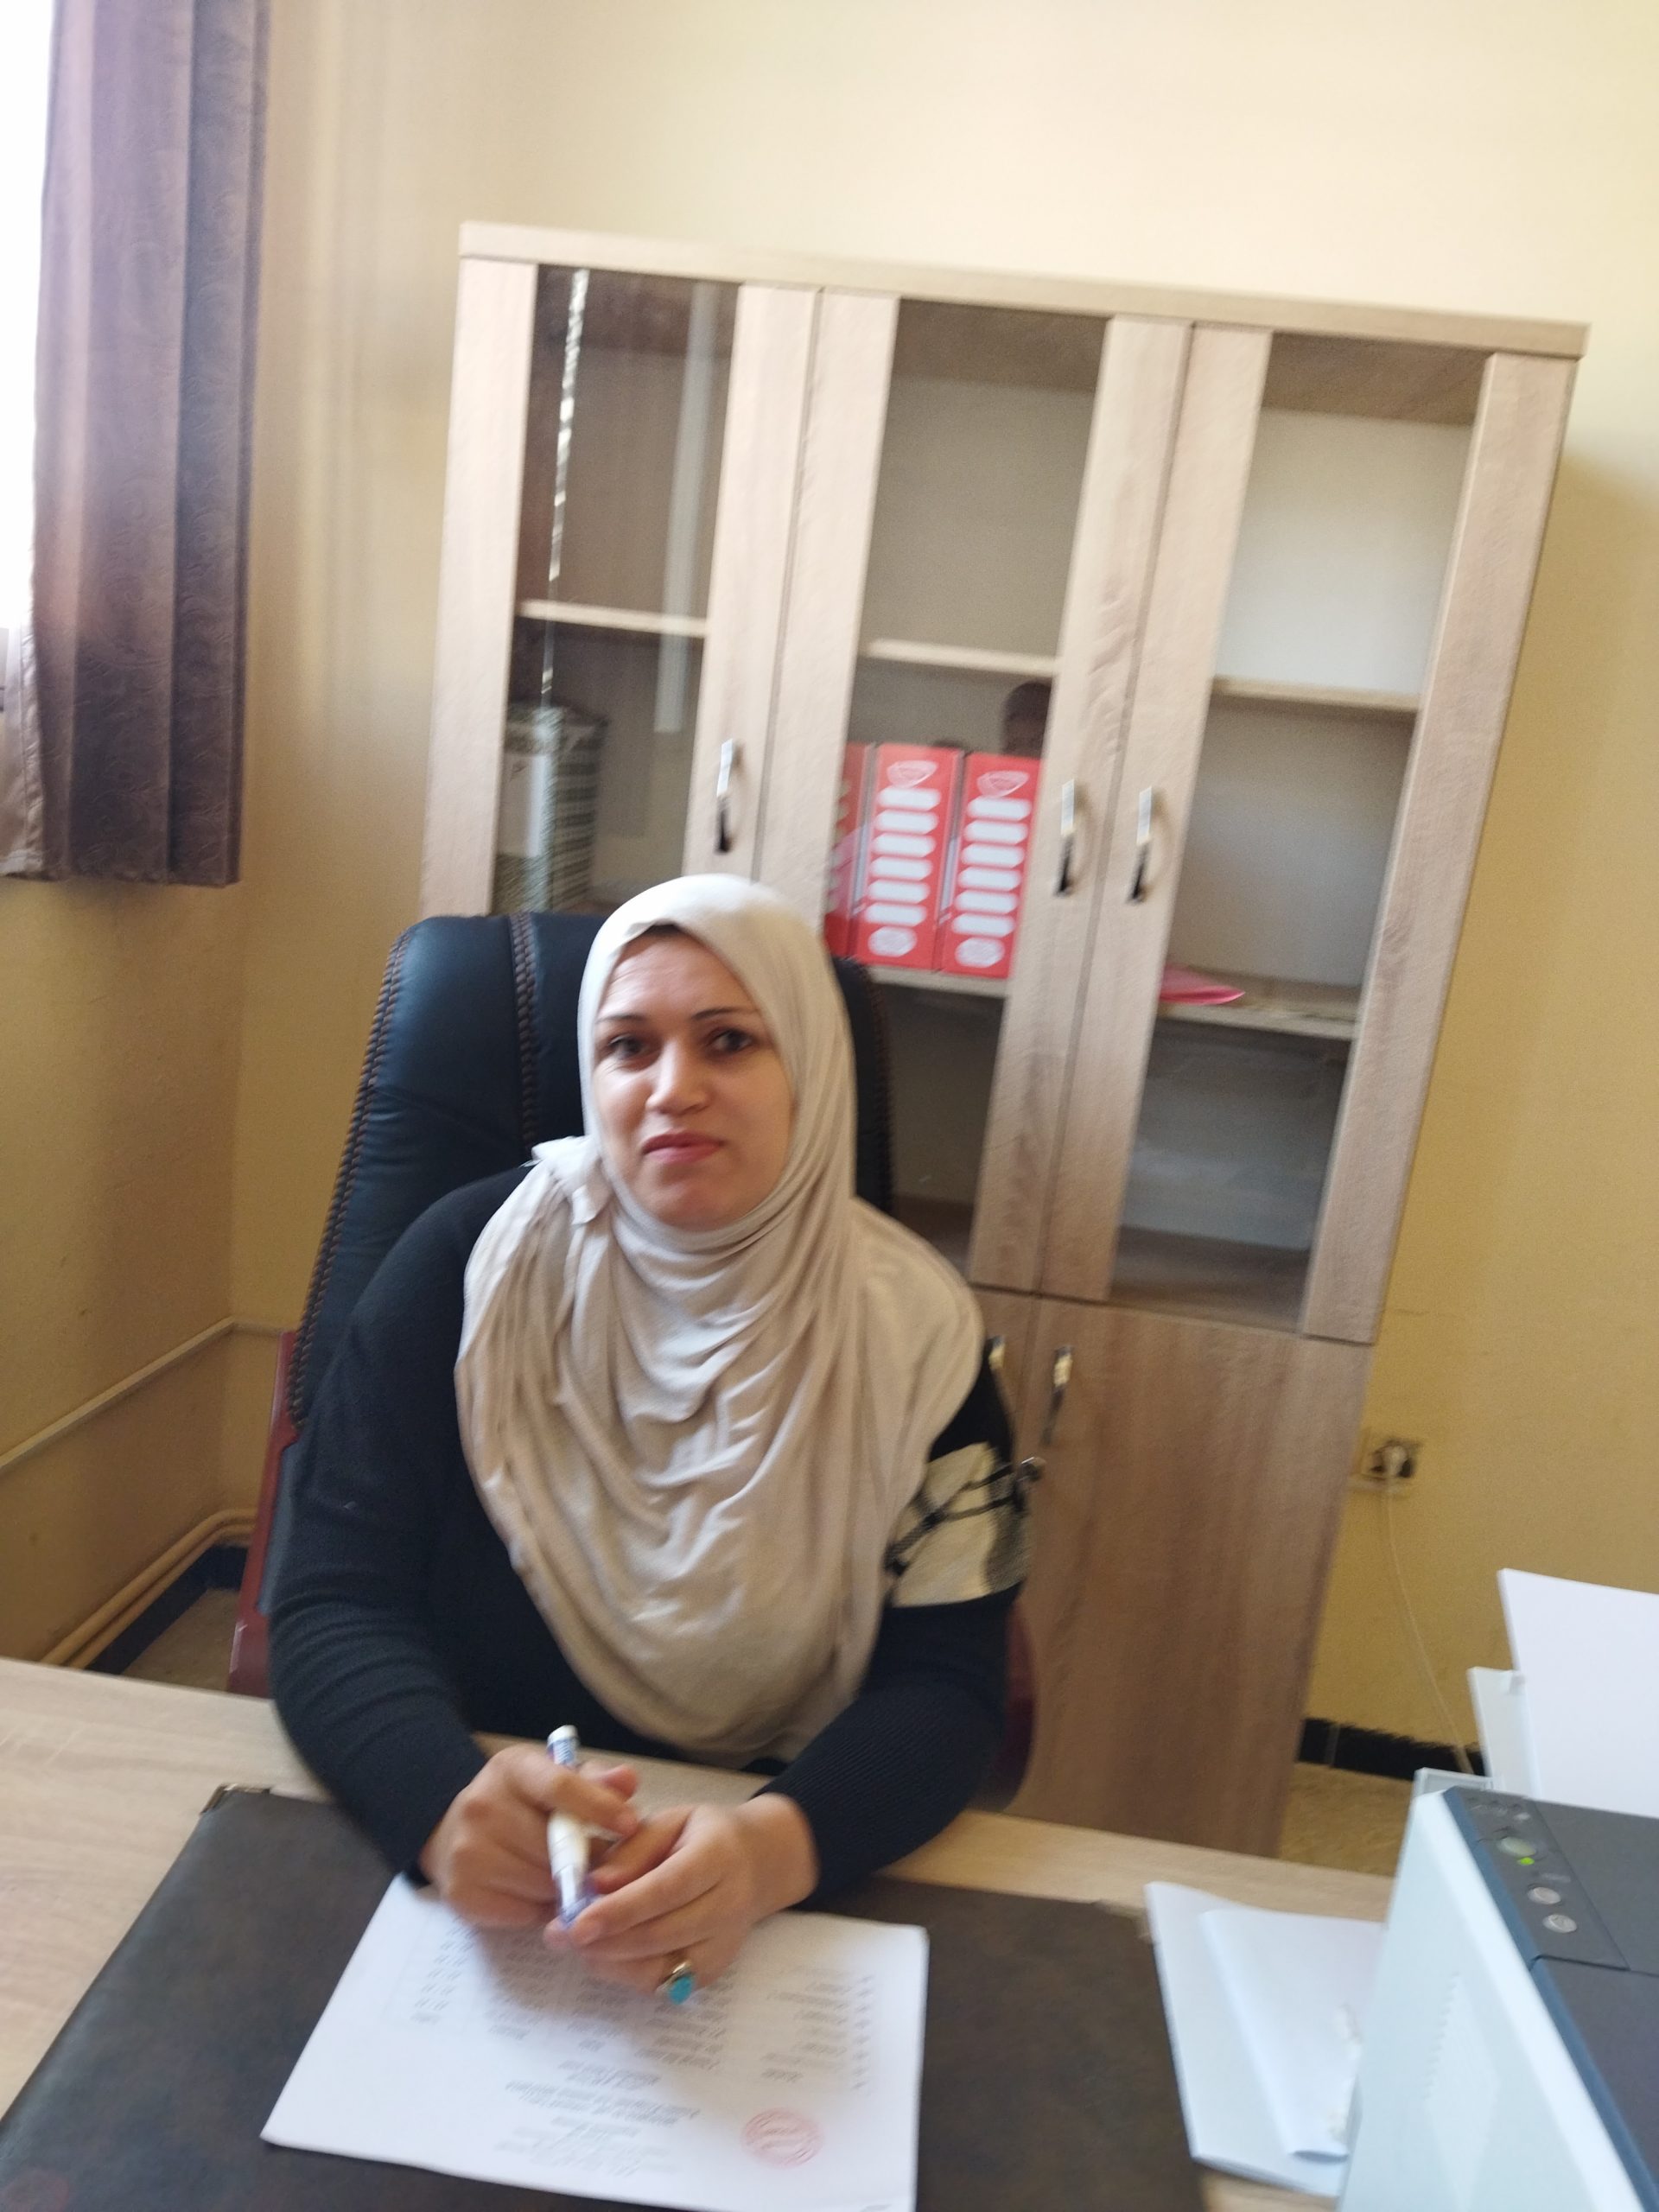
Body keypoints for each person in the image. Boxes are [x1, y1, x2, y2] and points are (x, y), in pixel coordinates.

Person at [270, 874, 1027, 2003]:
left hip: (766, 1876)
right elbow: (331, 1600)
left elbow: (950, 1685)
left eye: (729, 1041)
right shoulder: (466, 1268)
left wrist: (775, 1849)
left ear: (812, 1071)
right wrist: (437, 1799)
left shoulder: (924, 1338)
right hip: (483, 1868)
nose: (673, 1089)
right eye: (629, 1047)